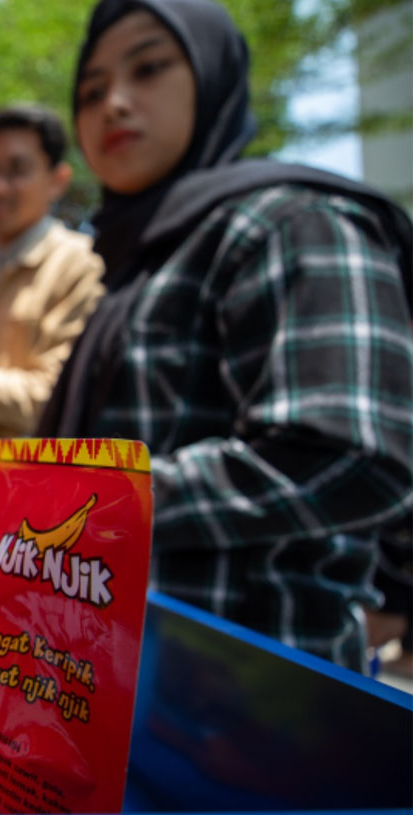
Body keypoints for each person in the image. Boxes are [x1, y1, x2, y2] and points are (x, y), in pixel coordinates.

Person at [39, 0, 413, 671]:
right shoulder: (136, 263)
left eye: (149, 68)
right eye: (90, 92)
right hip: (109, 685)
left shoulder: (294, 221)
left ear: (213, 81)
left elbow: (353, 451)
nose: (114, 104)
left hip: (241, 698)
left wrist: (97, 501)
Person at [0, 106, 105, 438]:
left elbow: (55, 399)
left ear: (58, 180)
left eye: (17, 170)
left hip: (47, 485)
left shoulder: (81, 263)